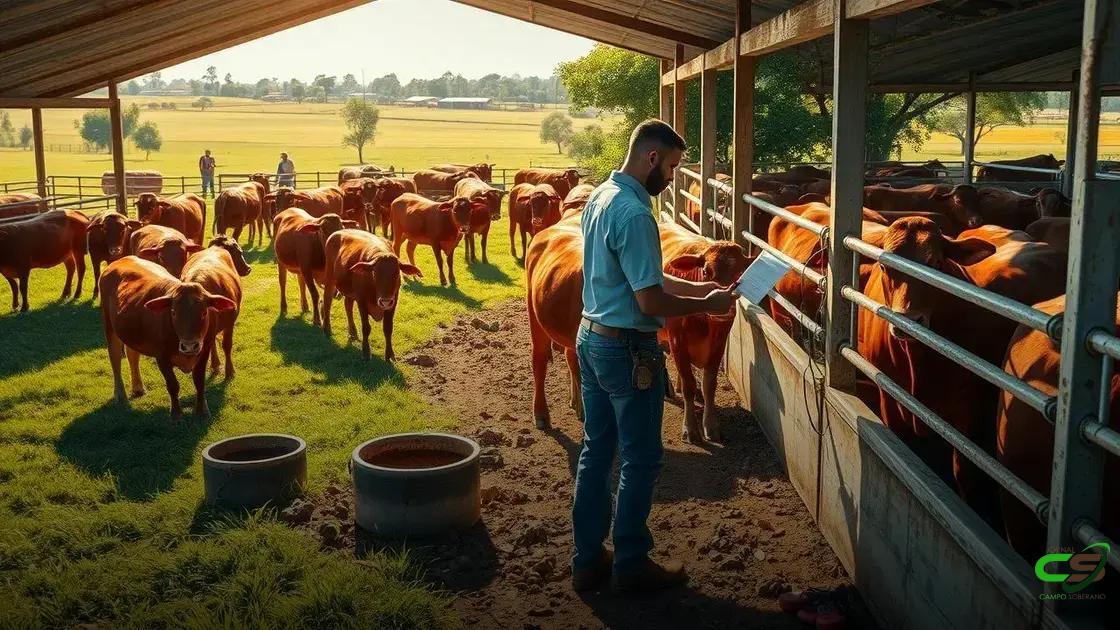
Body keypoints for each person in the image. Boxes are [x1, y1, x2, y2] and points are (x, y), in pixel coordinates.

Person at [571, 119, 737, 594]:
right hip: (627, 348)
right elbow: (649, 301)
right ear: (651, 158)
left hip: (592, 336)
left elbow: (645, 278)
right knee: (641, 458)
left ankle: (586, 560)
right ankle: (630, 564)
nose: (672, 175)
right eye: (672, 165)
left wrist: (700, 286)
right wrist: (706, 305)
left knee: (597, 451)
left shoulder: (601, 197)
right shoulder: (637, 214)